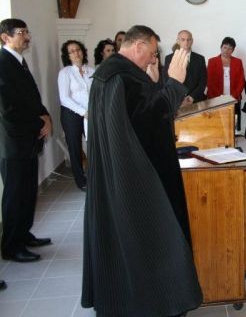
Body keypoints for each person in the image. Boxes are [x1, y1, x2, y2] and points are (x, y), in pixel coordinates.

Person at [82, 25, 202, 316]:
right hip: (137, 178)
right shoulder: (122, 78)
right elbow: (149, 123)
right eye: (151, 52)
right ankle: (158, 301)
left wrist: (157, 84)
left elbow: (140, 115)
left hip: (118, 174)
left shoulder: (112, 74)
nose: (152, 58)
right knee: (154, 236)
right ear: (137, 46)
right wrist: (175, 84)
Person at [0, 18, 52, 263]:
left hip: (27, 139)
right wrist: (39, 123)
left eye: (27, 32)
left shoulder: (18, 62)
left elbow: (31, 98)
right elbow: (7, 108)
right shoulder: (2, 62)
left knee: (28, 190)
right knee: (15, 193)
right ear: (5, 37)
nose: (27, 37)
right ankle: (11, 245)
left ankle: (23, 233)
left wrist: (46, 116)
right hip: (12, 142)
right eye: (22, 32)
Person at [58, 40, 94, 191]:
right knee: (75, 147)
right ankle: (81, 181)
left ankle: (95, 176)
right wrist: (83, 112)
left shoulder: (91, 71)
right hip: (71, 114)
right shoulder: (65, 72)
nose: (76, 53)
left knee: (93, 144)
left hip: (90, 113)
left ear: (83, 51)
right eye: (71, 51)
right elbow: (64, 98)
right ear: (68, 56)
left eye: (78, 49)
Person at [206, 37, 245, 131]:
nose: (227, 50)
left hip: (233, 99)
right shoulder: (212, 61)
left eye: (230, 48)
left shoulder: (238, 62)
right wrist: (220, 98)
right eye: (225, 47)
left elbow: (241, 81)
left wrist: (232, 97)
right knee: (216, 126)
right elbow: (209, 81)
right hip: (215, 99)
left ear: (233, 50)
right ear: (221, 47)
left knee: (232, 126)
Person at [164, 30, 207, 107]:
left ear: (192, 41)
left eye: (188, 39)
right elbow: (166, 81)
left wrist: (191, 97)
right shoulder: (169, 58)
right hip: (176, 102)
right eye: (183, 39)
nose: (186, 42)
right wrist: (179, 98)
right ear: (178, 41)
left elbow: (203, 82)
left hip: (196, 101)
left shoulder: (200, 59)